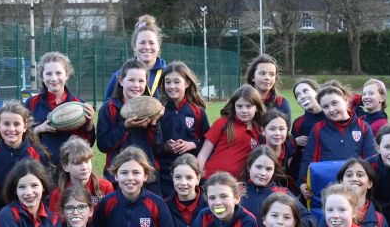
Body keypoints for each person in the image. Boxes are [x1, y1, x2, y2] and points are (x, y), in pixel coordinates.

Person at [0, 103, 48, 227]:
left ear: (25, 127)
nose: (11, 129)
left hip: (30, 219)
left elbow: (45, 190)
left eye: (16, 124)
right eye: (6, 124)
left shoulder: (36, 155)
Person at [298, 82, 378, 190]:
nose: (331, 109)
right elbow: (309, 157)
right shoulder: (318, 128)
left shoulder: (362, 126)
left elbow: (370, 158)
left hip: (355, 186)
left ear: (345, 101)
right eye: (325, 107)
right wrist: (302, 182)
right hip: (327, 185)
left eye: (335, 103)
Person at [26, 51, 95, 174]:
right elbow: (21, 138)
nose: (54, 78)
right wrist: (38, 129)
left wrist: (89, 125)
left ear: (67, 75)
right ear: (42, 77)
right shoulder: (31, 103)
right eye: (48, 74)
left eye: (58, 73)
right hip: (40, 168)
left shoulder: (79, 105)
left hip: (71, 169)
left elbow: (88, 144)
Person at [96, 59, 164, 181]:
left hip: (147, 176)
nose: (136, 85)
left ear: (146, 83)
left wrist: (153, 125)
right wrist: (125, 127)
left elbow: (158, 148)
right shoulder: (108, 108)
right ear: (121, 81)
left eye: (141, 81)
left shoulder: (153, 108)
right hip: (117, 176)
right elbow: (103, 145)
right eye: (131, 80)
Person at [156, 61, 209, 199]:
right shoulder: (158, 110)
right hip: (165, 172)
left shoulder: (197, 111)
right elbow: (151, 143)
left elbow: (208, 143)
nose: (172, 86)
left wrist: (192, 145)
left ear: (186, 83)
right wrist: (164, 147)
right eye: (168, 82)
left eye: (176, 82)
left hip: (190, 172)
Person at [197, 84, 264, 179]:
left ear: (256, 107)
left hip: (237, 186)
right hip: (211, 180)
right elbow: (203, 153)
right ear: (234, 107)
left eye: (248, 106)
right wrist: (197, 177)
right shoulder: (222, 123)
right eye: (239, 106)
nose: (244, 110)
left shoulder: (260, 132)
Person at [104, 15, 167, 100]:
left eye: (151, 43)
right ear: (134, 46)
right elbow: (107, 108)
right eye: (142, 42)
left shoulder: (169, 75)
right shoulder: (119, 75)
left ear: (158, 46)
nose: (147, 47)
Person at [47, 137, 113, 213]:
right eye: (77, 163)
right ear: (65, 166)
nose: (84, 167)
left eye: (87, 161)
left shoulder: (105, 187)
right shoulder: (58, 194)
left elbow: (110, 219)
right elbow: (55, 223)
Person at [245, 54, 291, 127]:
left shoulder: (281, 103)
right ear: (252, 77)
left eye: (272, 74)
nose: (267, 78)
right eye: (262, 73)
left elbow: (285, 132)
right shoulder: (241, 100)